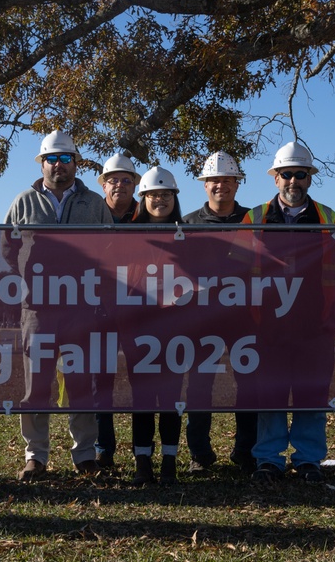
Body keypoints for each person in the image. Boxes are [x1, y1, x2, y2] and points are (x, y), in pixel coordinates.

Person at [3, 130, 113, 480]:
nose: (59, 165)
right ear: (42, 163)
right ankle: (35, 455)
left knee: (81, 383)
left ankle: (84, 454)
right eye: (52, 158)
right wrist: (23, 283)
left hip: (82, 308)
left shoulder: (95, 203)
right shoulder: (23, 202)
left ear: (75, 163)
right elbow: (7, 248)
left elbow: (112, 251)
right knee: (37, 385)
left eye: (66, 159)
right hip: (37, 310)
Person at [244, 142, 335, 483]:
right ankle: (269, 460)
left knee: (311, 394)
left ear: (310, 178)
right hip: (266, 325)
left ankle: (308, 459)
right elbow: (233, 273)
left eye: (300, 174)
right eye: (286, 174)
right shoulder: (255, 218)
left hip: (314, 326)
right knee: (269, 394)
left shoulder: (328, 218)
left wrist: (334, 320)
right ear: (275, 178)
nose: (293, 181)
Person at [181, 151, 257, 475]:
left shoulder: (254, 220)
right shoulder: (188, 224)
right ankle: (200, 454)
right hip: (201, 318)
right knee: (199, 386)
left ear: (237, 184)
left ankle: (246, 452)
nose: (220, 186)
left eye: (227, 180)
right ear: (204, 185)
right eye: (214, 180)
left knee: (249, 383)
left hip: (245, 316)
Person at [127, 166, 185, 485]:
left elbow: (200, 278)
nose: (158, 200)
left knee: (173, 398)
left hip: (176, 329)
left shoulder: (188, 234)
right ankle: (142, 461)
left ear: (174, 198)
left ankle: (170, 461)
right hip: (139, 329)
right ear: (143, 199)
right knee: (143, 398)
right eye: (152, 195)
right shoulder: (130, 235)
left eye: (164, 194)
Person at [92, 153, 141, 468]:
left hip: (141, 310)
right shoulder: (90, 215)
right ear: (104, 185)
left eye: (126, 180)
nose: (119, 185)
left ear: (135, 184)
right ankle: (103, 449)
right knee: (101, 382)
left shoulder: (147, 213)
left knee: (143, 379)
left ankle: (143, 449)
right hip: (99, 310)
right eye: (113, 180)